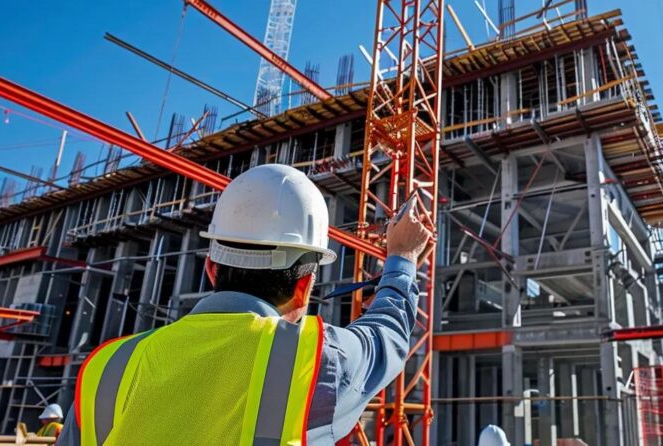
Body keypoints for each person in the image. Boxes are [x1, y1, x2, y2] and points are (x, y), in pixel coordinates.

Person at [56, 164, 426, 445]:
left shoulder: (107, 368)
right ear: (304, 285)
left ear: (211, 268)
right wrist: (403, 258)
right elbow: (385, 337)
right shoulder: (313, 362)